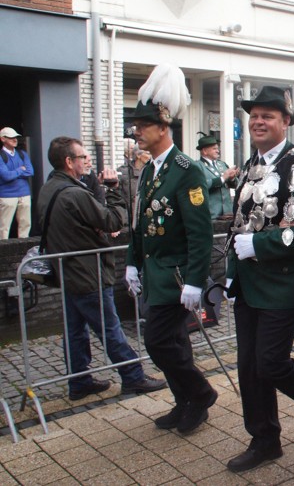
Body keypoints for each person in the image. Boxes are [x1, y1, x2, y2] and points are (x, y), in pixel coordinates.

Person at [226, 86, 294, 472]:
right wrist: (230, 275)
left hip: (286, 284)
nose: (258, 121)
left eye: (267, 116)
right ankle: (264, 439)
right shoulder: (250, 165)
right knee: (249, 366)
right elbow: (239, 225)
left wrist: (259, 244)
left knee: (271, 362)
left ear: (286, 121)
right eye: (254, 115)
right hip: (248, 284)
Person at [124, 64, 217, 435]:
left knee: (157, 341)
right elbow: (139, 223)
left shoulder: (185, 169)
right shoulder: (150, 170)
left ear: (163, 127)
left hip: (177, 277)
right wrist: (132, 263)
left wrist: (195, 280)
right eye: (136, 126)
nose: (137, 132)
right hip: (155, 275)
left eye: (143, 126)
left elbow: (200, 231)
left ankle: (201, 393)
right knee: (175, 342)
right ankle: (187, 403)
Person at [38, 137, 166, 401]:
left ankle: (79, 382)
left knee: (75, 331)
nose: (87, 161)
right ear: (69, 162)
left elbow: (80, 223)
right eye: (83, 157)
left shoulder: (49, 188)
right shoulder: (74, 194)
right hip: (88, 273)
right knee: (109, 328)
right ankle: (133, 376)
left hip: (68, 272)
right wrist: (114, 190)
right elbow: (113, 221)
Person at [0, 126, 33, 239]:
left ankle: (24, 247)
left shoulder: (22, 154)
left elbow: (30, 171)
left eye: (16, 137)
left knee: (25, 224)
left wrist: (14, 173)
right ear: (3, 139)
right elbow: (6, 176)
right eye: (11, 137)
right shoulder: (1, 156)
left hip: (24, 194)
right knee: (4, 227)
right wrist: (20, 170)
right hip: (7, 196)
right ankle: (3, 249)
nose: (15, 140)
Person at [196, 134, 238, 219]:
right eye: (214, 149)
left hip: (228, 214)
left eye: (217, 148)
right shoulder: (197, 166)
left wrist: (232, 178)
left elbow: (237, 185)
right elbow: (200, 186)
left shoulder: (222, 164)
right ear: (204, 151)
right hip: (211, 215)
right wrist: (223, 178)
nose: (218, 151)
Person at [119, 145, 151, 219]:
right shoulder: (123, 172)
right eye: (148, 153)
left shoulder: (150, 172)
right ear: (138, 155)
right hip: (126, 219)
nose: (151, 157)